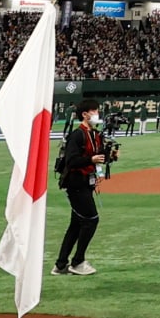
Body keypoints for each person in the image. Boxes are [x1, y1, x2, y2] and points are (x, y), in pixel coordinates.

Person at [53, 99, 110, 277]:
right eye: (94, 111)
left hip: (86, 182)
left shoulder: (94, 134)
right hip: (76, 183)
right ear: (85, 114)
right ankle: (77, 261)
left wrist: (109, 156)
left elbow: (98, 156)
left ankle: (61, 264)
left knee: (76, 224)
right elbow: (71, 161)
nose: (97, 114)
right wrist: (91, 160)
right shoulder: (78, 135)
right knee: (91, 219)